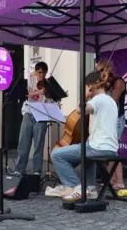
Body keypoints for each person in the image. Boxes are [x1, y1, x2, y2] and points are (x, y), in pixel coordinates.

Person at [50, 70, 119, 201]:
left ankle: (77, 187)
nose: (85, 89)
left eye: (86, 86)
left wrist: (86, 96)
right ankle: (91, 189)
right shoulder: (111, 101)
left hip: (98, 147)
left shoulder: (98, 99)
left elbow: (81, 110)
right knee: (87, 152)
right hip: (110, 147)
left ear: (92, 85)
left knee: (56, 155)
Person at [14, 62, 55, 175]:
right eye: (39, 72)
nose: (41, 75)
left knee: (38, 145)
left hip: (41, 115)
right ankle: (19, 169)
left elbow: (52, 101)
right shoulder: (29, 80)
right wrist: (34, 90)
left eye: (43, 72)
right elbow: (25, 93)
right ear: (36, 72)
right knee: (23, 143)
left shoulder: (48, 84)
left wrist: (49, 94)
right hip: (28, 112)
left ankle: (37, 171)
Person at [96, 59, 127, 190]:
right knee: (107, 150)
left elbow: (113, 101)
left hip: (116, 120)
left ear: (109, 68)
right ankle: (111, 178)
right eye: (98, 71)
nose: (99, 74)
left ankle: (119, 180)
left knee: (113, 150)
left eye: (101, 70)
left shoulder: (118, 82)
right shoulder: (104, 84)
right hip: (107, 120)